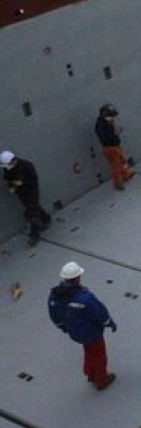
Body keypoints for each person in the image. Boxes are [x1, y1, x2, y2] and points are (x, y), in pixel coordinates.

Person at [48, 262, 118, 390]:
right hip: (91, 333)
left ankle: (90, 373)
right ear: (77, 278)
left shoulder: (54, 296)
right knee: (98, 355)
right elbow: (99, 313)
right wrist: (109, 323)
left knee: (89, 351)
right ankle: (102, 380)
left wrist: (63, 327)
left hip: (74, 332)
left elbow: (54, 315)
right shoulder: (85, 298)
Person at [1, 151, 52, 246]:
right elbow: (7, 178)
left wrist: (17, 184)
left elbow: (33, 181)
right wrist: (14, 185)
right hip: (21, 193)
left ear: (13, 160)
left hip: (31, 191)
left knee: (33, 214)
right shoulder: (9, 168)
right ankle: (46, 218)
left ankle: (34, 235)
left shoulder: (27, 165)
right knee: (34, 207)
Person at [95, 104, 132, 190]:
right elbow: (107, 138)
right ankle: (118, 183)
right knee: (116, 167)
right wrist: (117, 132)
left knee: (122, 161)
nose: (112, 118)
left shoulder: (104, 122)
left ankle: (126, 175)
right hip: (111, 148)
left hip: (113, 147)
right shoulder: (101, 125)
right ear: (104, 115)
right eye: (110, 116)